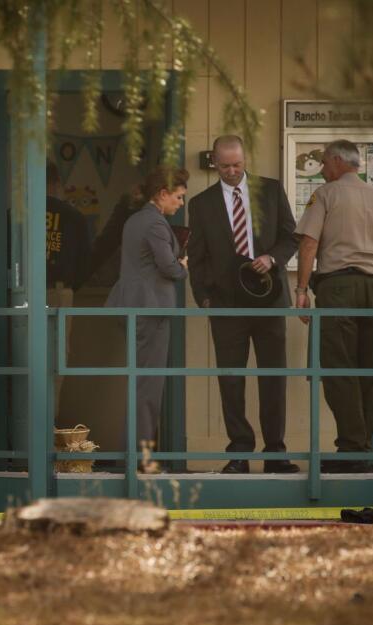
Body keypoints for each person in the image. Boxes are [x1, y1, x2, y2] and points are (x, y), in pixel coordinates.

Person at [187, 135, 299, 474]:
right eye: (225, 166)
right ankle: (239, 451)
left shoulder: (270, 190)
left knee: (273, 378)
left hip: (269, 299)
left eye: (237, 165)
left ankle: (275, 453)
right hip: (226, 304)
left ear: (245, 159)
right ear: (214, 163)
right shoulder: (201, 203)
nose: (232, 172)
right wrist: (204, 297)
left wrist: (272, 258)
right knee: (231, 379)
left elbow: (291, 235)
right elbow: (198, 256)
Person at [294, 140, 373, 473]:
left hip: (338, 289)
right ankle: (364, 450)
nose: (323, 170)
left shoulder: (326, 196)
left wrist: (301, 289)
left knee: (337, 368)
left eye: (325, 163)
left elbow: (309, 244)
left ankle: (351, 450)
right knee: (369, 371)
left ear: (336, 161)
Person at [106, 166, 189, 464]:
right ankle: (139, 457)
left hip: (132, 305)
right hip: (150, 308)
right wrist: (183, 266)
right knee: (148, 385)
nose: (180, 203)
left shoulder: (135, 219)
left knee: (139, 381)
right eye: (178, 197)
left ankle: (131, 454)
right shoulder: (155, 223)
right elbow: (168, 267)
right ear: (163, 194)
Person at [45, 161, 92, 420]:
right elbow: (86, 262)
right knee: (56, 362)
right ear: (57, 184)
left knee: (19, 361)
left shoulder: (18, 214)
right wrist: (69, 285)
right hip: (60, 292)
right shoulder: (73, 216)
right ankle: (48, 429)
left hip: (22, 292)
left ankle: (20, 437)